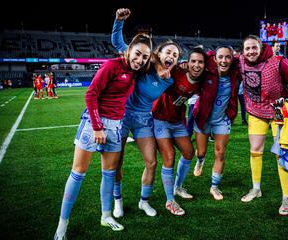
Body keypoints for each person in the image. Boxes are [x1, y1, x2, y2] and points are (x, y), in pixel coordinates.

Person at [53, 27, 152, 239]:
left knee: (109, 173)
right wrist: (97, 127)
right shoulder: (112, 65)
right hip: (92, 122)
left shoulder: (138, 70)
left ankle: (106, 215)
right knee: (78, 173)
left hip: (116, 126)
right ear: (128, 51)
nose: (140, 59)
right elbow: (91, 95)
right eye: (137, 54)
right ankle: (62, 225)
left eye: (145, 57)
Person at [110, 8, 181, 218]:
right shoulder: (145, 63)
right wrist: (118, 22)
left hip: (143, 120)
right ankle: (118, 201)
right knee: (116, 163)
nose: (171, 56)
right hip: (122, 116)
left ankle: (144, 201)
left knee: (151, 162)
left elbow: (194, 75)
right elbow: (120, 45)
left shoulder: (171, 78)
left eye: (175, 55)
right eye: (168, 52)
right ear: (158, 53)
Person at [239, 35, 288, 216]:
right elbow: (220, 60)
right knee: (255, 151)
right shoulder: (241, 62)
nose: (251, 51)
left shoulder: (278, 61)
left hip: (278, 111)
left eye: (254, 47)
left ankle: (286, 197)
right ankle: (256, 188)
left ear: (260, 47)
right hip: (255, 110)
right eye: (247, 48)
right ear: (243, 51)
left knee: (282, 153)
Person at [152, 47, 207, 215]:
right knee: (169, 156)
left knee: (189, 152)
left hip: (177, 121)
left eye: (200, 62)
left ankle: (178, 187)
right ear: (187, 62)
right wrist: (166, 66)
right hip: (159, 118)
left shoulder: (201, 80)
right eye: (193, 61)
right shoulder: (176, 70)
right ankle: (170, 200)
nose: (196, 65)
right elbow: (154, 58)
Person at [192, 45, 240, 200]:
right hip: (203, 118)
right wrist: (212, 55)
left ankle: (214, 187)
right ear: (214, 59)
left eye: (228, 57)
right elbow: (203, 58)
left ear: (232, 59)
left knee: (220, 153)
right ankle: (200, 161)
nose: (224, 61)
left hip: (222, 120)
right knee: (201, 152)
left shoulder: (235, 73)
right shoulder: (208, 71)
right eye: (220, 57)